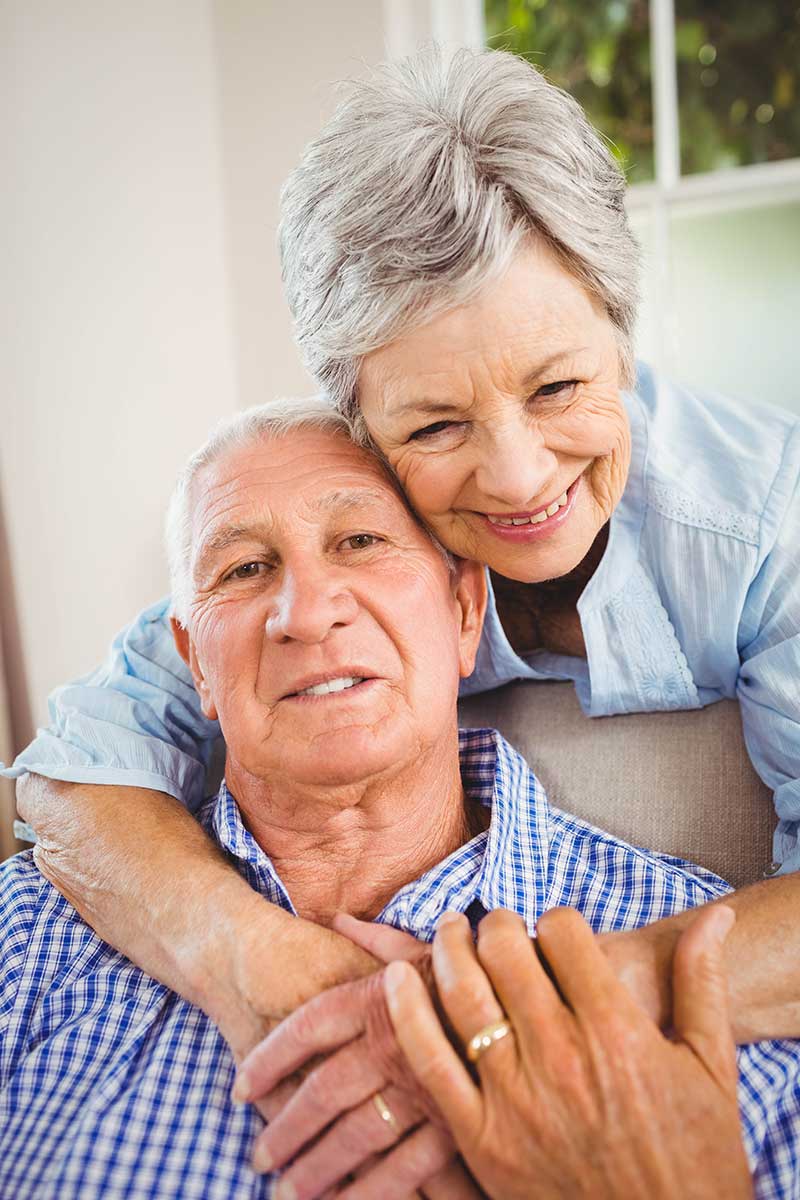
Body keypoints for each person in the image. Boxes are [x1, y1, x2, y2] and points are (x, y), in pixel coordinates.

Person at [4, 40, 800, 1183]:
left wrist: (487, 1021)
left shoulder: (763, 521)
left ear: (622, 341)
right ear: (362, 424)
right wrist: (259, 966)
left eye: (559, 387)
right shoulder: (328, 557)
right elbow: (69, 774)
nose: (521, 480)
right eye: (434, 427)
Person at [0, 399, 793, 1200]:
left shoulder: (713, 968)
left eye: (362, 541)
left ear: (464, 610)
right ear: (193, 665)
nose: (306, 614)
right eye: (245, 568)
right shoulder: (31, 936)